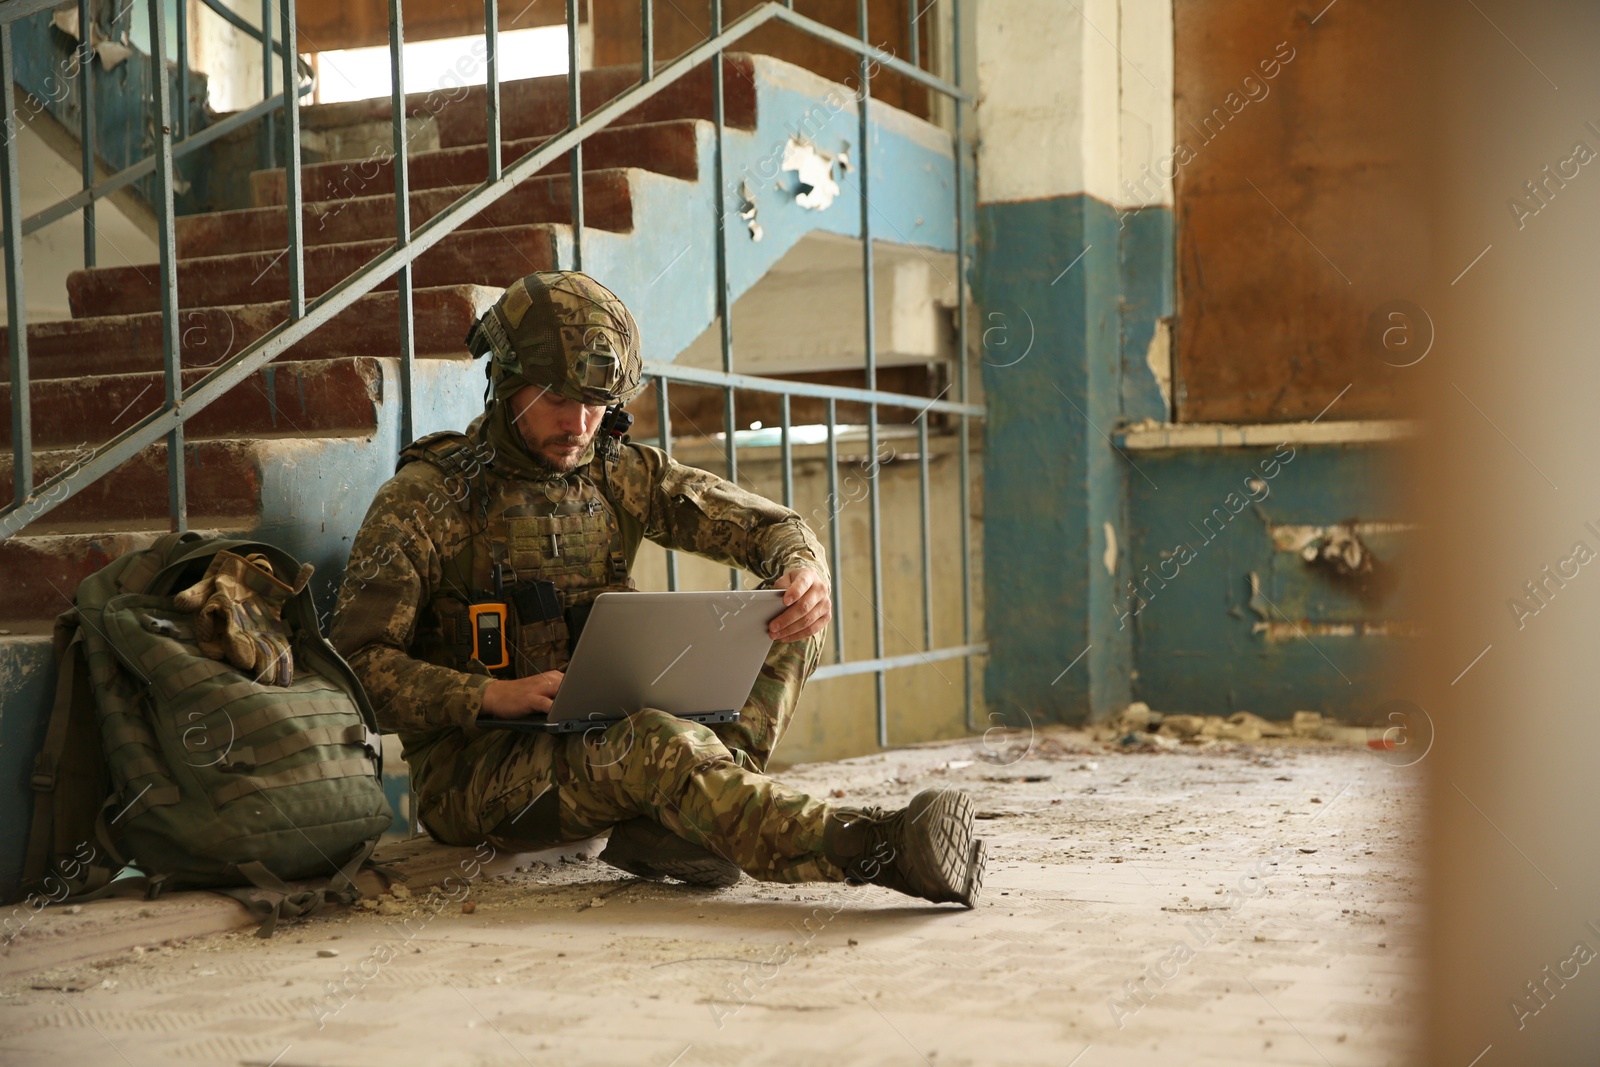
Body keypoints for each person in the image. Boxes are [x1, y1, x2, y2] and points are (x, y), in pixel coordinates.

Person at [329, 270, 986, 906]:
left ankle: (680, 825)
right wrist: (488, 694)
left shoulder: (617, 473)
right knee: (659, 744)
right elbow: (354, 673)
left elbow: (772, 527)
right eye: (558, 399)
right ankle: (882, 846)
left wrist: (804, 565)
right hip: (478, 775)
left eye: (596, 404)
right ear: (504, 382)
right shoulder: (428, 499)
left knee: (789, 614)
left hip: (608, 730)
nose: (581, 425)